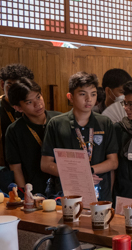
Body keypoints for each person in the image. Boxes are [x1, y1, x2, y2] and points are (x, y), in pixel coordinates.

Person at [41, 72, 119, 201]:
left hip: (99, 193)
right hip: (65, 193)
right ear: (70, 97)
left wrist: (89, 171)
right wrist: (77, 175)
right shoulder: (56, 123)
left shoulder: (105, 123)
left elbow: (113, 162)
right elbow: (45, 164)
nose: (89, 99)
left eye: (93, 94)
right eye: (83, 94)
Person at [5, 79, 61, 198]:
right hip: (36, 191)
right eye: (29, 102)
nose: (38, 104)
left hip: (63, 188)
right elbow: (16, 167)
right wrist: (24, 194)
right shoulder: (14, 130)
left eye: (38, 97)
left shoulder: (59, 119)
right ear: (18, 107)